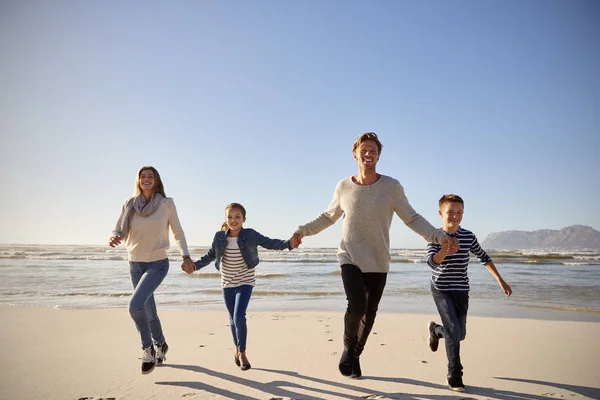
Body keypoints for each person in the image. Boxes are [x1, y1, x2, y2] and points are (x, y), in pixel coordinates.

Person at [291, 132, 458, 379]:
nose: (368, 154)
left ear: (378, 156)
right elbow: (329, 216)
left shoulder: (391, 187)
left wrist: (437, 236)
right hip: (350, 255)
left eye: (373, 150)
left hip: (378, 259)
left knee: (369, 314)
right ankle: (348, 349)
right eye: (364, 149)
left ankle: (357, 354)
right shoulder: (343, 186)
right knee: (356, 304)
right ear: (355, 154)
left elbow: (411, 218)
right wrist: (302, 230)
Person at [182, 202, 299, 371]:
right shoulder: (219, 237)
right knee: (232, 318)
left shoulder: (250, 234)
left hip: (245, 281)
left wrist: (289, 244)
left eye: (237, 217)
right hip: (227, 283)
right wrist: (194, 266)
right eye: (229, 217)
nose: (233, 220)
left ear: (244, 219)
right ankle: (236, 349)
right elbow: (210, 255)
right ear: (225, 219)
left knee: (238, 316)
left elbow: (270, 242)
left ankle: (243, 353)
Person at [109, 166, 195, 375]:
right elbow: (119, 228)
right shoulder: (129, 204)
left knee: (134, 307)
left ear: (157, 181)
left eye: (151, 176)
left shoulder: (166, 204)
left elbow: (178, 232)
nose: (146, 179)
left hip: (157, 263)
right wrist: (115, 236)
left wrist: (185, 256)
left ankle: (148, 350)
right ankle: (161, 344)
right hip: (134, 264)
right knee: (148, 311)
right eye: (143, 176)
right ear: (138, 180)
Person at [426, 194, 512, 392]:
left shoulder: (468, 236)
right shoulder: (434, 236)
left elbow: (483, 257)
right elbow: (431, 263)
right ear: (441, 213)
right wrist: (444, 249)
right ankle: (454, 375)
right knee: (454, 333)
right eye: (450, 212)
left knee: (459, 334)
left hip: (461, 290)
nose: (455, 216)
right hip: (441, 289)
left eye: (459, 213)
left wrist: (500, 280)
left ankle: (435, 330)